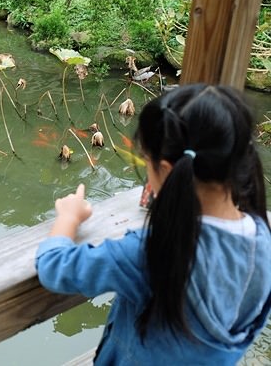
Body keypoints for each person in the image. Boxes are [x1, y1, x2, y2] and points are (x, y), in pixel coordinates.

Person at [35, 84, 271, 364]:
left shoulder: (150, 253)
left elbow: (54, 267)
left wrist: (68, 217)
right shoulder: (262, 241)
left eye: (147, 161)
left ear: (169, 171)